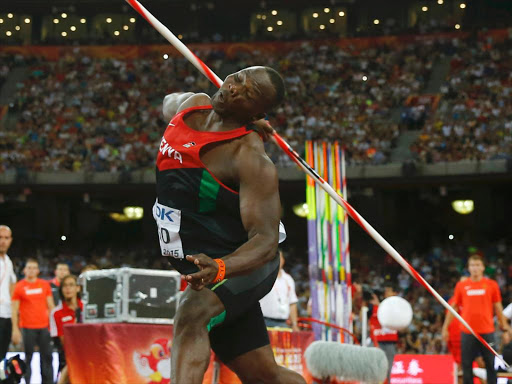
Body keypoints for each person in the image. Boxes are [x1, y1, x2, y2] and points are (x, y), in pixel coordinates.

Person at [155, 66, 305, 384]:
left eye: (247, 93)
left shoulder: (248, 156)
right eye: (237, 78)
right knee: (264, 375)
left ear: (257, 112)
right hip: (205, 266)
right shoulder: (190, 105)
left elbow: (265, 241)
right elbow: (169, 101)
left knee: (191, 314)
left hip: (240, 265)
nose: (234, 88)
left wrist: (222, 268)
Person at [442, 254, 512, 384]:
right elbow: (453, 308)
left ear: (483, 267)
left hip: (487, 331)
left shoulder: (491, 285)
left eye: (478, 265)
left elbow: (498, 306)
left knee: (490, 365)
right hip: (467, 332)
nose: (475, 268)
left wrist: (504, 326)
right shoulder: (461, 286)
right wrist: (445, 327)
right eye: (472, 265)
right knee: (467, 366)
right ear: (468, 268)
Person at [11, 258, 55, 384]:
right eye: (29, 267)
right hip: (27, 327)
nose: (31, 270)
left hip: (44, 327)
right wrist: (15, 329)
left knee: (46, 357)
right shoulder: (19, 286)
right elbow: (14, 309)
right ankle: (27, 381)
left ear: (38, 270)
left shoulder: (44, 284)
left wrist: (53, 325)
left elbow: (51, 306)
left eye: (34, 268)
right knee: (28, 357)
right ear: (25, 270)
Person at [50, 274, 83, 384]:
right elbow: (63, 342)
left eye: (71, 285)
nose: (68, 288)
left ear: (78, 288)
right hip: (68, 356)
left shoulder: (87, 307)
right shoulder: (56, 313)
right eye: (64, 286)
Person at [259, 250, 300, 331]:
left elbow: (292, 303)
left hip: (283, 323)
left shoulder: (288, 279)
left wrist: (294, 324)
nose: (277, 260)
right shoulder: (262, 276)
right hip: (264, 321)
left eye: (279, 258)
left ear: (283, 260)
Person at [369, 282, 399, 382]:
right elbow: (362, 317)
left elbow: (392, 316)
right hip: (376, 341)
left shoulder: (398, 306)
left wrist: (379, 305)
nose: (386, 293)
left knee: (388, 368)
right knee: (373, 367)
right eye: (385, 291)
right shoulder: (375, 305)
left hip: (390, 342)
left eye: (388, 291)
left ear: (395, 293)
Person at [0, 225, 16, 362]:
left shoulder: (8, 261)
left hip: (6, 315)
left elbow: (13, 284)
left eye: (6, 238)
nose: (3, 241)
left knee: (2, 356)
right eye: (0, 238)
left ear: (10, 240)